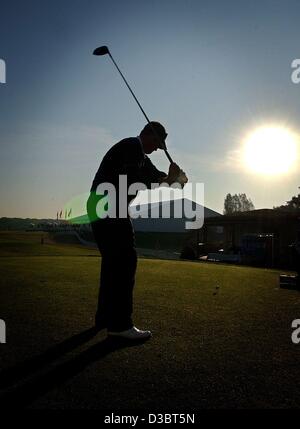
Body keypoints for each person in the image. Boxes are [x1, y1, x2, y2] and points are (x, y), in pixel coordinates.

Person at [87, 122, 185, 341]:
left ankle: (104, 318)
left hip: (103, 206)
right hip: (108, 205)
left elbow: (156, 179)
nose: (159, 149)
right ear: (148, 135)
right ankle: (120, 325)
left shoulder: (141, 157)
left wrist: (176, 180)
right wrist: (169, 180)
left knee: (113, 262)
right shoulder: (131, 146)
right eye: (158, 143)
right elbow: (134, 181)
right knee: (125, 261)